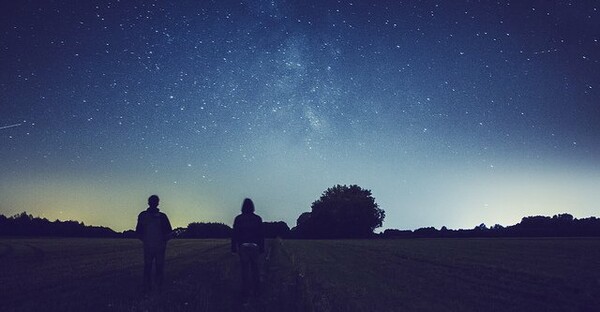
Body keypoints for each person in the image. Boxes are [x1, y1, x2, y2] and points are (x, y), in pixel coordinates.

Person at [136, 195, 172, 292]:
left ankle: (151, 287)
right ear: (157, 203)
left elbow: (138, 232)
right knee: (155, 267)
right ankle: (154, 287)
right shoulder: (160, 216)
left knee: (150, 266)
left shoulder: (144, 215)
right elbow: (169, 232)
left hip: (154, 246)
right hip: (154, 246)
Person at [231, 198, 264, 303]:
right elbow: (261, 234)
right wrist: (262, 247)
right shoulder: (257, 218)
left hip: (243, 246)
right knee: (255, 270)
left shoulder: (239, 219)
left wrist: (234, 247)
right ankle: (257, 292)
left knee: (245, 271)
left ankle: (245, 292)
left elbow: (235, 233)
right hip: (255, 246)